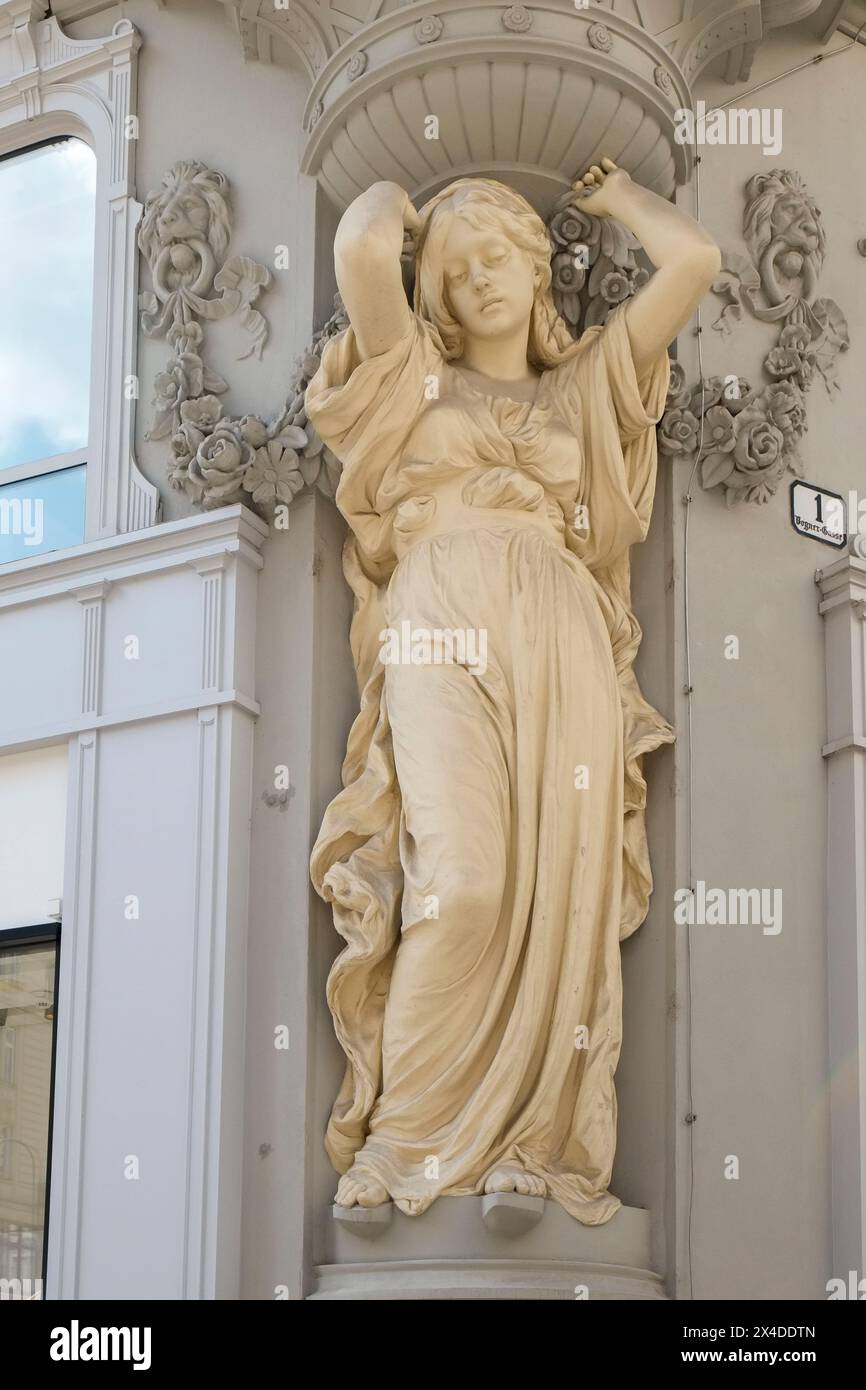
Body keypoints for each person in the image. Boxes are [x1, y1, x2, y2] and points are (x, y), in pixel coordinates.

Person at [307, 160, 720, 1223]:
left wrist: (618, 197)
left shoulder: (582, 388)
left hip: (560, 632)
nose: (479, 278)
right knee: (466, 879)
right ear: (434, 299)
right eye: (455, 269)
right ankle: (402, 1147)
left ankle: (531, 1151)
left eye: (498, 254)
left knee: (557, 901)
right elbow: (358, 251)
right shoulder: (414, 381)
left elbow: (694, 262)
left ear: (535, 271)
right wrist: (396, 212)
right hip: (438, 613)